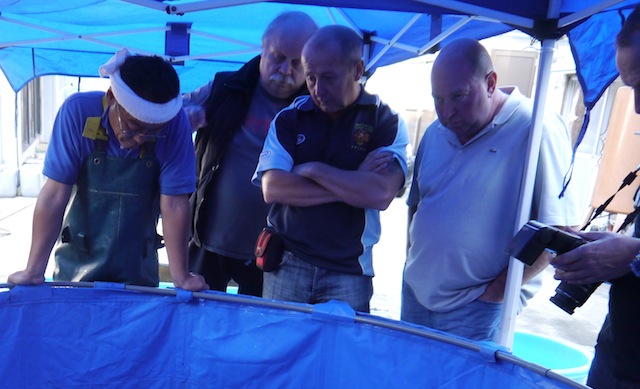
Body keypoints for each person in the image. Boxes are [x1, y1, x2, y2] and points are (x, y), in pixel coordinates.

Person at [402, 38, 580, 342]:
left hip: (477, 308)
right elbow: (417, 204)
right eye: (438, 100)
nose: (447, 113)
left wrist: (497, 293)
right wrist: (412, 263)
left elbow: (560, 229)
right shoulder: (434, 132)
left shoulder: (537, 128)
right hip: (416, 295)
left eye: (459, 97)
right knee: (412, 385)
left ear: (491, 82)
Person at [8, 50, 206, 291]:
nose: (141, 139)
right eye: (133, 127)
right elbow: (54, 194)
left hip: (138, 265)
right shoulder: (78, 113)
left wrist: (181, 277)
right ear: (112, 96)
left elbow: (174, 203)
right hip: (78, 262)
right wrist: (33, 271)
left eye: (154, 132)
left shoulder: (175, 125)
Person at [252, 24, 408, 313]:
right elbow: (273, 188)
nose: (317, 89)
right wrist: (354, 182)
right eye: (310, 77)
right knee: (281, 351)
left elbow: (380, 194)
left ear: (358, 69)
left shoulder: (385, 120)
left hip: (349, 270)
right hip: (286, 261)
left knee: (341, 355)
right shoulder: (289, 118)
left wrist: (311, 169)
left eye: (328, 78)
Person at [184, 11, 319, 296]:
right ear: (262, 48)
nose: (285, 70)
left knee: (258, 334)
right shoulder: (224, 88)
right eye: (277, 57)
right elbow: (166, 115)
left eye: (298, 64)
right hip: (207, 236)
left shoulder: (317, 110)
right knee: (200, 328)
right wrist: (185, 117)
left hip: (274, 250)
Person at [551, 6, 640, 389]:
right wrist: (620, 246)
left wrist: (632, 256)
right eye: (630, 89)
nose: (636, 108)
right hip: (616, 366)